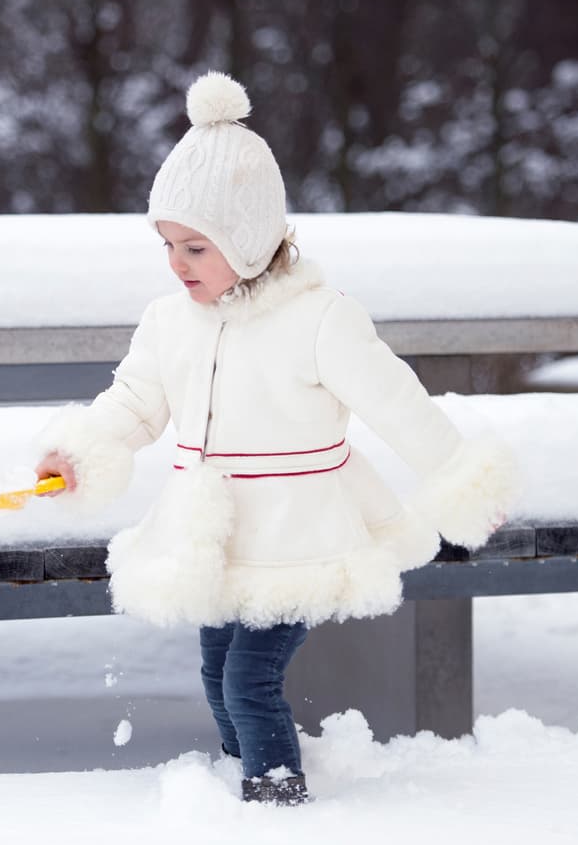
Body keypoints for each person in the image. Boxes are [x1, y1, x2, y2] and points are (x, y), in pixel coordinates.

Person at [35, 71, 517, 805]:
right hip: (212, 534)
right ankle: (241, 776)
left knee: (248, 678)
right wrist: (81, 451)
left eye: (196, 247)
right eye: (167, 244)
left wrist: (462, 480)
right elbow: (134, 402)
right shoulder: (169, 322)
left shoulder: (320, 318)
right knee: (214, 673)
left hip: (298, 533)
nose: (176, 264)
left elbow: (399, 404)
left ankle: (276, 796)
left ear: (251, 238)